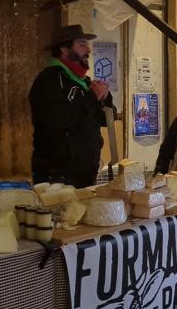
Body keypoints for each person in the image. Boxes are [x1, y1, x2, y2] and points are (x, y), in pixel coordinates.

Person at [29, 25, 115, 188]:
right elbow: (60, 119)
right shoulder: (49, 80)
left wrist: (105, 97)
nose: (88, 49)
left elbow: (104, 120)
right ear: (64, 49)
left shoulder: (85, 83)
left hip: (85, 174)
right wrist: (92, 97)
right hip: (57, 177)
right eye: (82, 44)